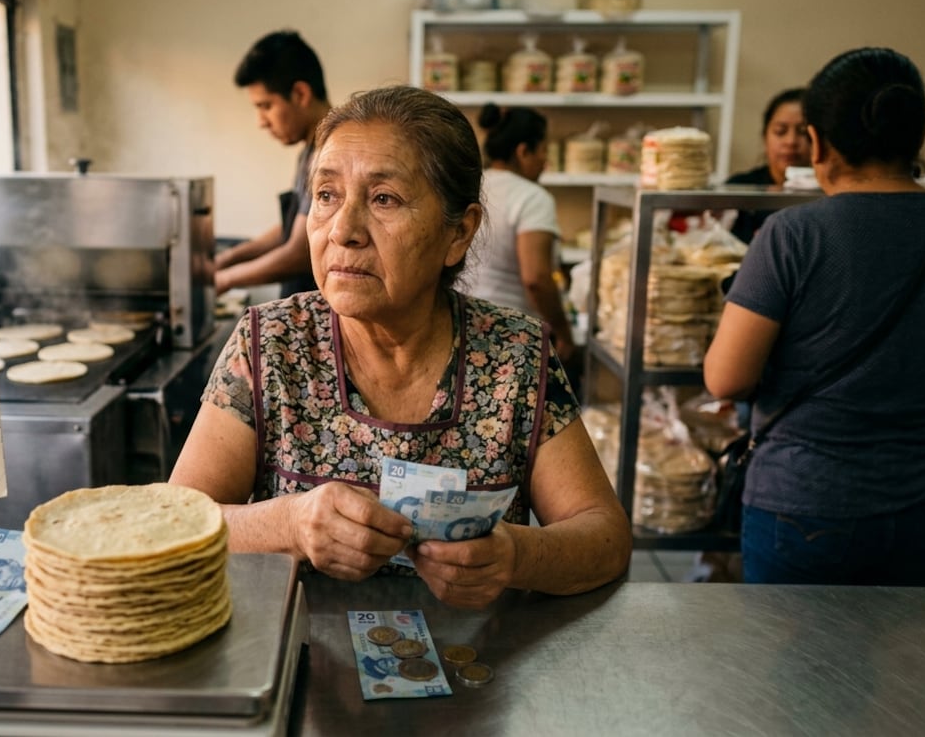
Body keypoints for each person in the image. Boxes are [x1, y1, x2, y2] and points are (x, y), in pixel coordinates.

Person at [171, 86, 631, 609]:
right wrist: (289, 524)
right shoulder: (270, 343)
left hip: (477, 655)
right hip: (297, 648)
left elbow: (606, 538)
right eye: (326, 195)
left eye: (384, 199)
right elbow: (178, 521)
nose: (343, 230)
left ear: (459, 233)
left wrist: (517, 556)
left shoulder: (515, 355)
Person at [704, 47, 925, 587]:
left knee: (791, 647)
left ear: (818, 142)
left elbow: (726, 378)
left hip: (805, 503)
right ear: (919, 133)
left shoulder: (791, 234)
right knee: (911, 646)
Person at [215, 30, 330, 298]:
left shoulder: (329, 154)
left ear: (300, 94)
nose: (261, 121)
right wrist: (227, 259)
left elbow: (300, 251)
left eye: (266, 106)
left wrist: (224, 279)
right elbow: (292, 230)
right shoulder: (309, 151)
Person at [466, 104, 579, 369]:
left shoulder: (470, 187)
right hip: (509, 338)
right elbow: (536, 279)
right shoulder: (532, 198)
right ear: (523, 151)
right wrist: (563, 332)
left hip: (461, 328)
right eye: (543, 151)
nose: (545, 161)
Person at [723, 88, 810, 242]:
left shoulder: (826, 194)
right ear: (765, 136)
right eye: (780, 131)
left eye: (803, 132)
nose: (791, 141)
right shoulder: (738, 189)